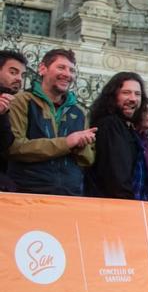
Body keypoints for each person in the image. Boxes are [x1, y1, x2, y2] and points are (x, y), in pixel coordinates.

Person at [5, 48, 95, 195]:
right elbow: (15, 147)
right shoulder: (22, 101)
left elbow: (89, 159)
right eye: (61, 67)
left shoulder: (79, 112)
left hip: (70, 196)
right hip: (27, 193)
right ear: (42, 69)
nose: (67, 74)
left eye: (72, 70)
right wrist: (67, 143)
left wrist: (81, 147)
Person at [88, 72, 148, 200]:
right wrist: (128, 205)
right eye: (126, 92)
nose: (133, 98)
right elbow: (116, 176)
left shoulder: (126, 127)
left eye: (137, 94)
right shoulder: (111, 125)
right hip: (115, 206)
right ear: (113, 96)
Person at [0, 49, 28, 191]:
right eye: (13, 72)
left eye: (22, 75)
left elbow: (6, 144)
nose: (19, 79)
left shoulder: (8, 102)